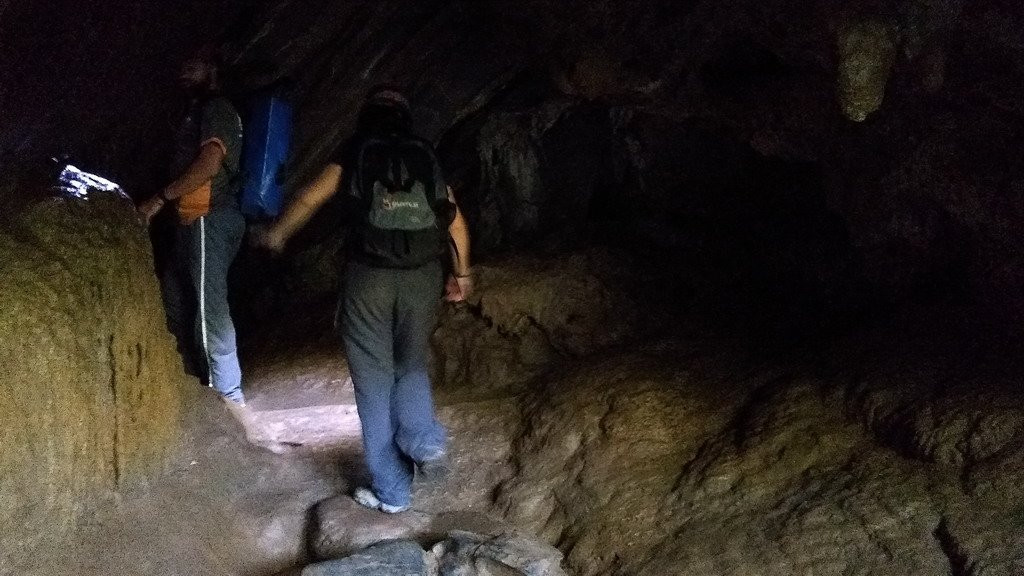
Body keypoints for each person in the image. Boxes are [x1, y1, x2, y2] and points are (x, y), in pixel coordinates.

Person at [255, 87, 473, 513]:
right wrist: (462, 272)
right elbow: (453, 217)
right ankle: (424, 440)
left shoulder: (355, 151)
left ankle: (392, 490)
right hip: (422, 277)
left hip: (368, 278)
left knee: (373, 380)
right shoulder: (423, 154)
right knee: (409, 361)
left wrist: (276, 235)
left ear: (367, 116)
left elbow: (310, 197)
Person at [137, 54, 249, 407]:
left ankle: (228, 398)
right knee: (175, 303)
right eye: (182, 64)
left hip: (208, 218)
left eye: (195, 64)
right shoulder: (195, 113)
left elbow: (209, 164)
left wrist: (159, 198)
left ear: (214, 69)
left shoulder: (217, 109)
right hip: (188, 222)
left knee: (208, 311)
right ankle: (191, 388)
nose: (185, 70)